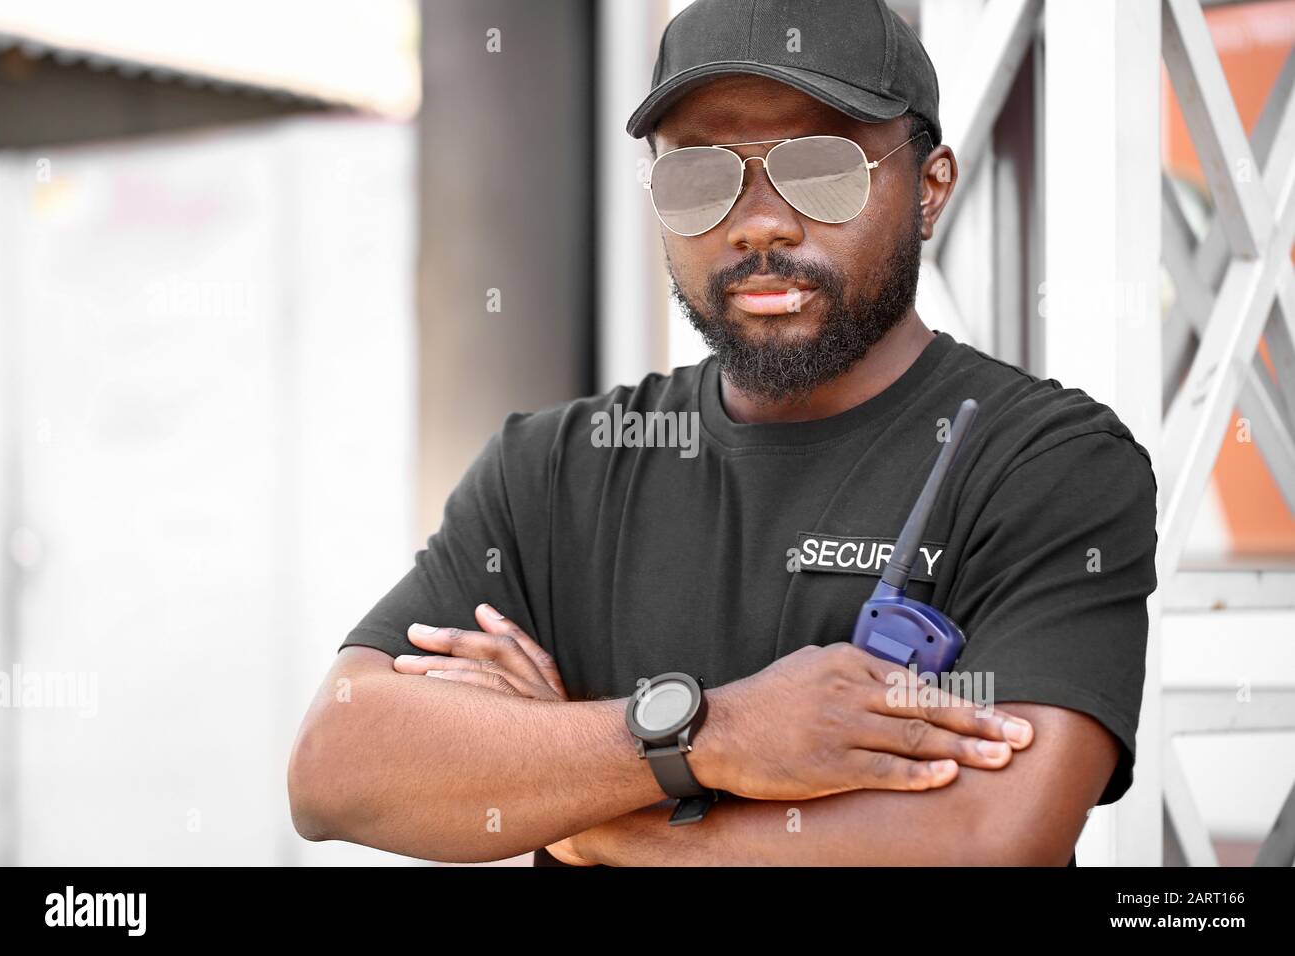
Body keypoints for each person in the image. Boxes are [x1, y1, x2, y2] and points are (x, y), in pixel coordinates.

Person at [287, 0, 1157, 867]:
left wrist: (580, 807)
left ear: (929, 188)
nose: (759, 223)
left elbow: (989, 840)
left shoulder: (1046, 466)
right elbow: (338, 768)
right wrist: (713, 731)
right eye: (699, 175)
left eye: (821, 168)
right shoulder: (552, 470)